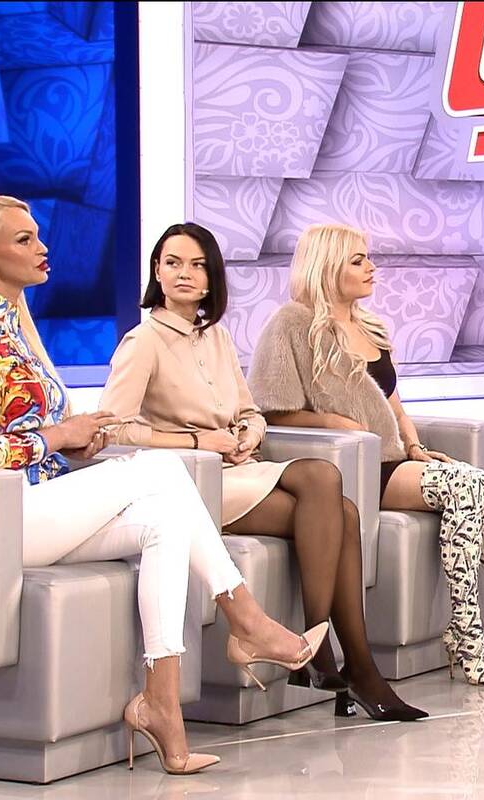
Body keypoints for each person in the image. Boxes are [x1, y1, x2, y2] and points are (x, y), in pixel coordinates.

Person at [0, 196, 328, 775]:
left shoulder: (10, 323)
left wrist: (71, 443)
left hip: (33, 506)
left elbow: (18, 433)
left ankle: (161, 704)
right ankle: (248, 622)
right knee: (161, 469)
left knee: (165, 519)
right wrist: (57, 436)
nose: (43, 248)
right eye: (24, 240)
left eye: (38, 236)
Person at [99, 222, 427, 722]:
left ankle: (341, 659)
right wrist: (197, 441)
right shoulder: (143, 341)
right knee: (324, 483)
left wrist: (248, 433)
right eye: (172, 263)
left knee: (339, 506)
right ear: (157, 273)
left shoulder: (217, 337)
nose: (185, 274)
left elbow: (252, 410)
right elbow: (114, 429)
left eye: (197, 265)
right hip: (190, 481)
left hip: (238, 468)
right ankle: (329, 654)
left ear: (211, 278)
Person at [249, 223, 484, 687]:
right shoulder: (292, 324)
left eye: (368, 258)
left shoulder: (371, 328)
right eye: (358, 260)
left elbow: (395, 407)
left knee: (480, 486)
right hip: (348, 466)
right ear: (327, 266)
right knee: (467, 490)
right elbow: (273, 409)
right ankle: (470, 636)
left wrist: (415, 447)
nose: (371, 268)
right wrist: (333, 424)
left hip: (392, 459)